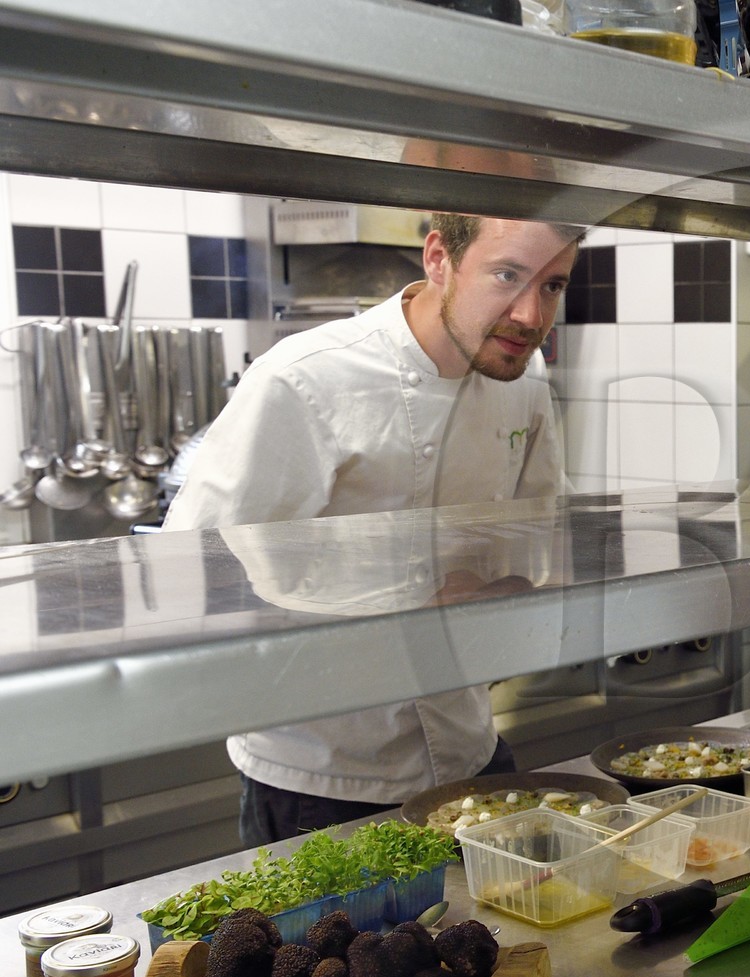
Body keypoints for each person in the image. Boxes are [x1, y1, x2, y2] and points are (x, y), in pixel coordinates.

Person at [164, 212, 582, 847]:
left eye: (553, 286)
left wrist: (520, 590)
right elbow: (195, 578)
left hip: (471, 749)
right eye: (506, 276)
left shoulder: (522, 381)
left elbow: (542, 534)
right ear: (439, 257)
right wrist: (407, 607)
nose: (530, 315)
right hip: (324, 779)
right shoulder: (307, 379)